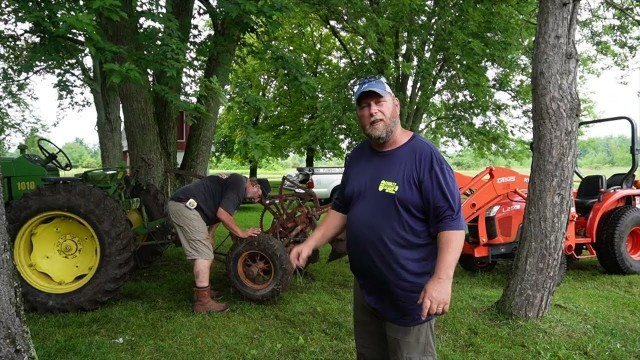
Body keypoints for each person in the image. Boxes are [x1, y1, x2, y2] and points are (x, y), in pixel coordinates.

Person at [289, 75, 465, 359]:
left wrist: (443, 280)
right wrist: (310, 244)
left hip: (409, 296)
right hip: (367, 291)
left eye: (378, 102)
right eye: (364, 106)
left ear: (394, 105)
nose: (372, 111)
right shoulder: (356, 158)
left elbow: (451, 223)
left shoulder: (424, 157)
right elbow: (341, 209)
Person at [168, 173, 271, 313]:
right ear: (255, 185)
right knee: (204, 255)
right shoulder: (239, 185)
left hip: (190, 206)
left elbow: (221, 213)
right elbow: (223, 214)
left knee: (205, 250)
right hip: (186, 205)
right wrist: (241, 232)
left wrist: (210, 234)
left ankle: (202, 291)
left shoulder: (238, 185)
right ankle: (202, 302)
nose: (256, 200)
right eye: (259, 195)